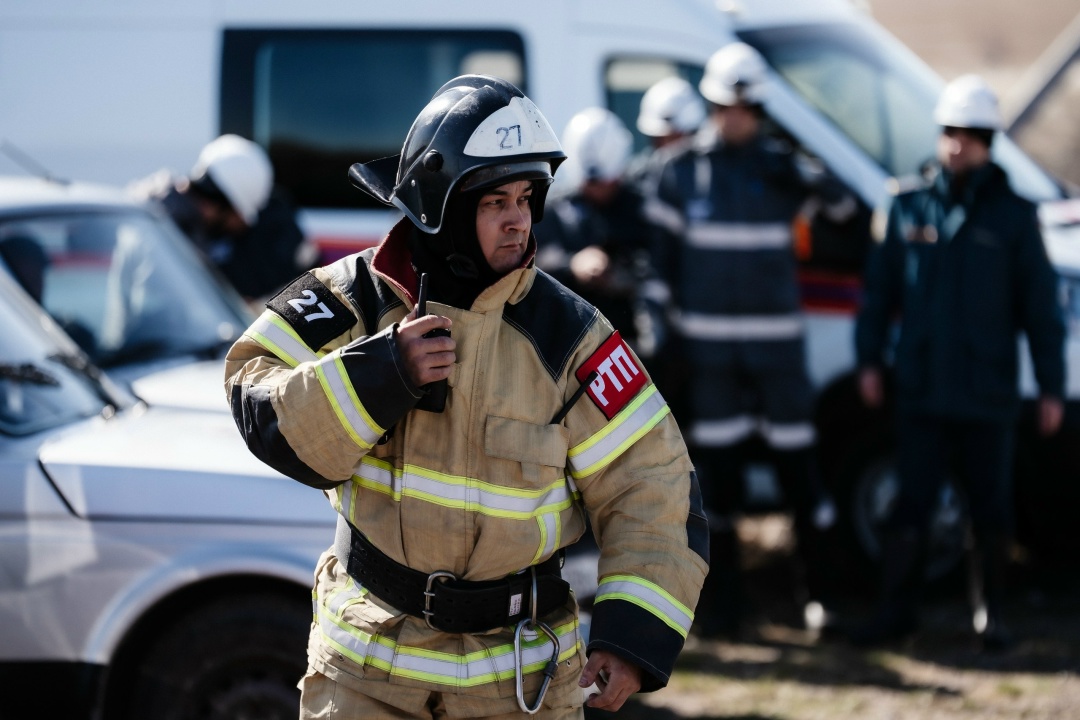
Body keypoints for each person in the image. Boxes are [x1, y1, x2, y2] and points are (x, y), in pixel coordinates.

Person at [224, 75, 708, 718]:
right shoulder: (354, 299)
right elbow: (254, 393)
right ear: (439, 205)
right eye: (494, 202)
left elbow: (654, 483)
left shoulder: (569, 336)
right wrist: (377, 373)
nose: (519, 220)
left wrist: (632, 636)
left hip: (515, 685)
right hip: (365, 673)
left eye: (527, 198)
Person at [851, 74, 1066, 651]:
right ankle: (896, 613)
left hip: (986, 393)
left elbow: (1040, 309)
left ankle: (989, 616)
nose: (956, 144)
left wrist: (1051, 387)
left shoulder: (1016, 218)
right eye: (949, 131)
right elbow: (880, 293)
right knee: (910, 506)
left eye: (969, 134)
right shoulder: (907, 206)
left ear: (989, 139)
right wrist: (868, 361)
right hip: (922, 390)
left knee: (990, 509)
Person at [650, 42, 854, 638]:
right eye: (723, 105)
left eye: (745, 107)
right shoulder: (679, 172)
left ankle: (818, 596)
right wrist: (665, 341)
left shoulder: (783, 170)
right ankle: (727, 610)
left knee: (801, 479)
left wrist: (801, 163)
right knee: (722, 487)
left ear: (761, 109)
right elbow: (659, 269)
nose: (733, 117)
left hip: (778, 358)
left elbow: (844, 207)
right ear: (711, 105)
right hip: (712, 362)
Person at [536, 107, 666, 364]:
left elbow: (661, 263)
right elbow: (533, 264)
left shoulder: (642, 208)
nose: (599, 189)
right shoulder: (554, 210)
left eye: (605, 181)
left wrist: (624, 275)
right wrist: (573, 264)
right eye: (592, 183)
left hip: (635, 344)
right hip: (572, 345)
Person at [130, 134, 314, 303]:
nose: (241, 226)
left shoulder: (184, 221)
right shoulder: (162, 227)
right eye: (239, 216)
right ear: (219, 204)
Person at [627, 76, 706, 189]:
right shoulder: (639, 180)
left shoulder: (712, 174)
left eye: (676, 138)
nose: (668, 150)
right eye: (660, 139)